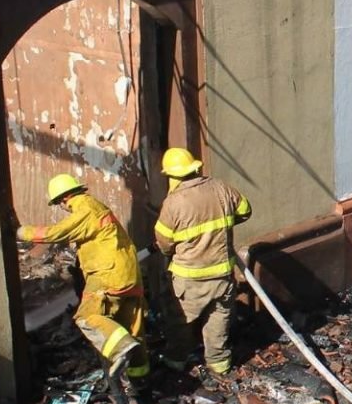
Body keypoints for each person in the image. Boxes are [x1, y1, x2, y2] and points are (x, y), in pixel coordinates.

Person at [17, 174, 149, 383]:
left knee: (86, 317)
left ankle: (121, 347)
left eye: (60, 203)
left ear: (63, 199)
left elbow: (56, 233)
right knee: (131, 327)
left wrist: (22, 232)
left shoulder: (85, 208)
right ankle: (140, 379)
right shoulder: (96, 206)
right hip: (129, 274)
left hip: (108, 274)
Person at [153, 147, 251, 377]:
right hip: (222, 274)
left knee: (182, 322)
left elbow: (164, 242)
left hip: (190, 277)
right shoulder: (221, 188)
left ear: (172, 175)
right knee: (219, 319)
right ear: (195, 168)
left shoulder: (174, 202)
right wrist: (223, 227)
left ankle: (175, 363)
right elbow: (245, 211)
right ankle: (219, 365)